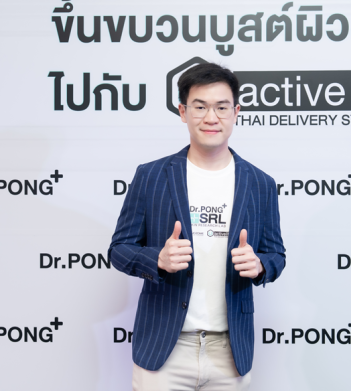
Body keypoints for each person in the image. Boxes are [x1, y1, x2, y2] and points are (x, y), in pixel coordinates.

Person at [109, 62, 286, 390]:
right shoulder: (151, 176)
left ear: (236, 112)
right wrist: (157, 260)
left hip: (229, 351)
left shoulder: (260, 183)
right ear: (183, 111)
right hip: (164, 348)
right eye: (200, 107)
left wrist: (260, 264)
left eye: (221, 107)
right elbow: (119, 250)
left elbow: (276, 255)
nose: (211, 117)